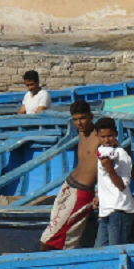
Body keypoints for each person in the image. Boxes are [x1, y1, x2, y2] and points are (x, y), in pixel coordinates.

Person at [40, 100, 98, 250]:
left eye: (83, 118)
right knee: (54, 228)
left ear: (91, 116)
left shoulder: (100, 136)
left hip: (81, 193)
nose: (79, 123)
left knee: (49, 239)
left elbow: (117, 161)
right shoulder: (81, 133)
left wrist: (101, 194)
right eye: (75, 119)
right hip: (68, 186)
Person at [93, 117, 134, 247]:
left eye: (110, 136)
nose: (107, 140)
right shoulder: (101, 151)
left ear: (116, 135)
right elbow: (103, 179)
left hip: (119, 209)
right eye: (103, 137)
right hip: (105, 210)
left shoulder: (122, 155)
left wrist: (109, 168)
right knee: (99, 251)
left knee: (116, 251)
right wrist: (98, 196)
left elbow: (122, 186)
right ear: (97, 135)